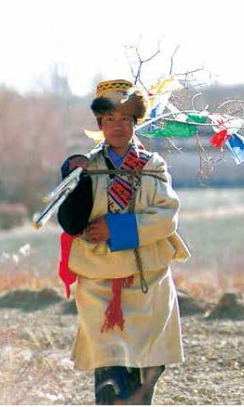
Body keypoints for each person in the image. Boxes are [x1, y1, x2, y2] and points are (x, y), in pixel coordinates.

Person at [56, 79, 190, 404]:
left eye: (125, 119)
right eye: (110, 119)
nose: (118, 126)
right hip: (99, 285)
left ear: (135, 122)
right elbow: (71, 222)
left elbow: (166, 218)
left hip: (148, 284)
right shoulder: (86, 168)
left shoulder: (152, 166)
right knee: (111, 371)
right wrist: (70, 176)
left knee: (146, 374)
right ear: (99, 124)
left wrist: (115, 228)